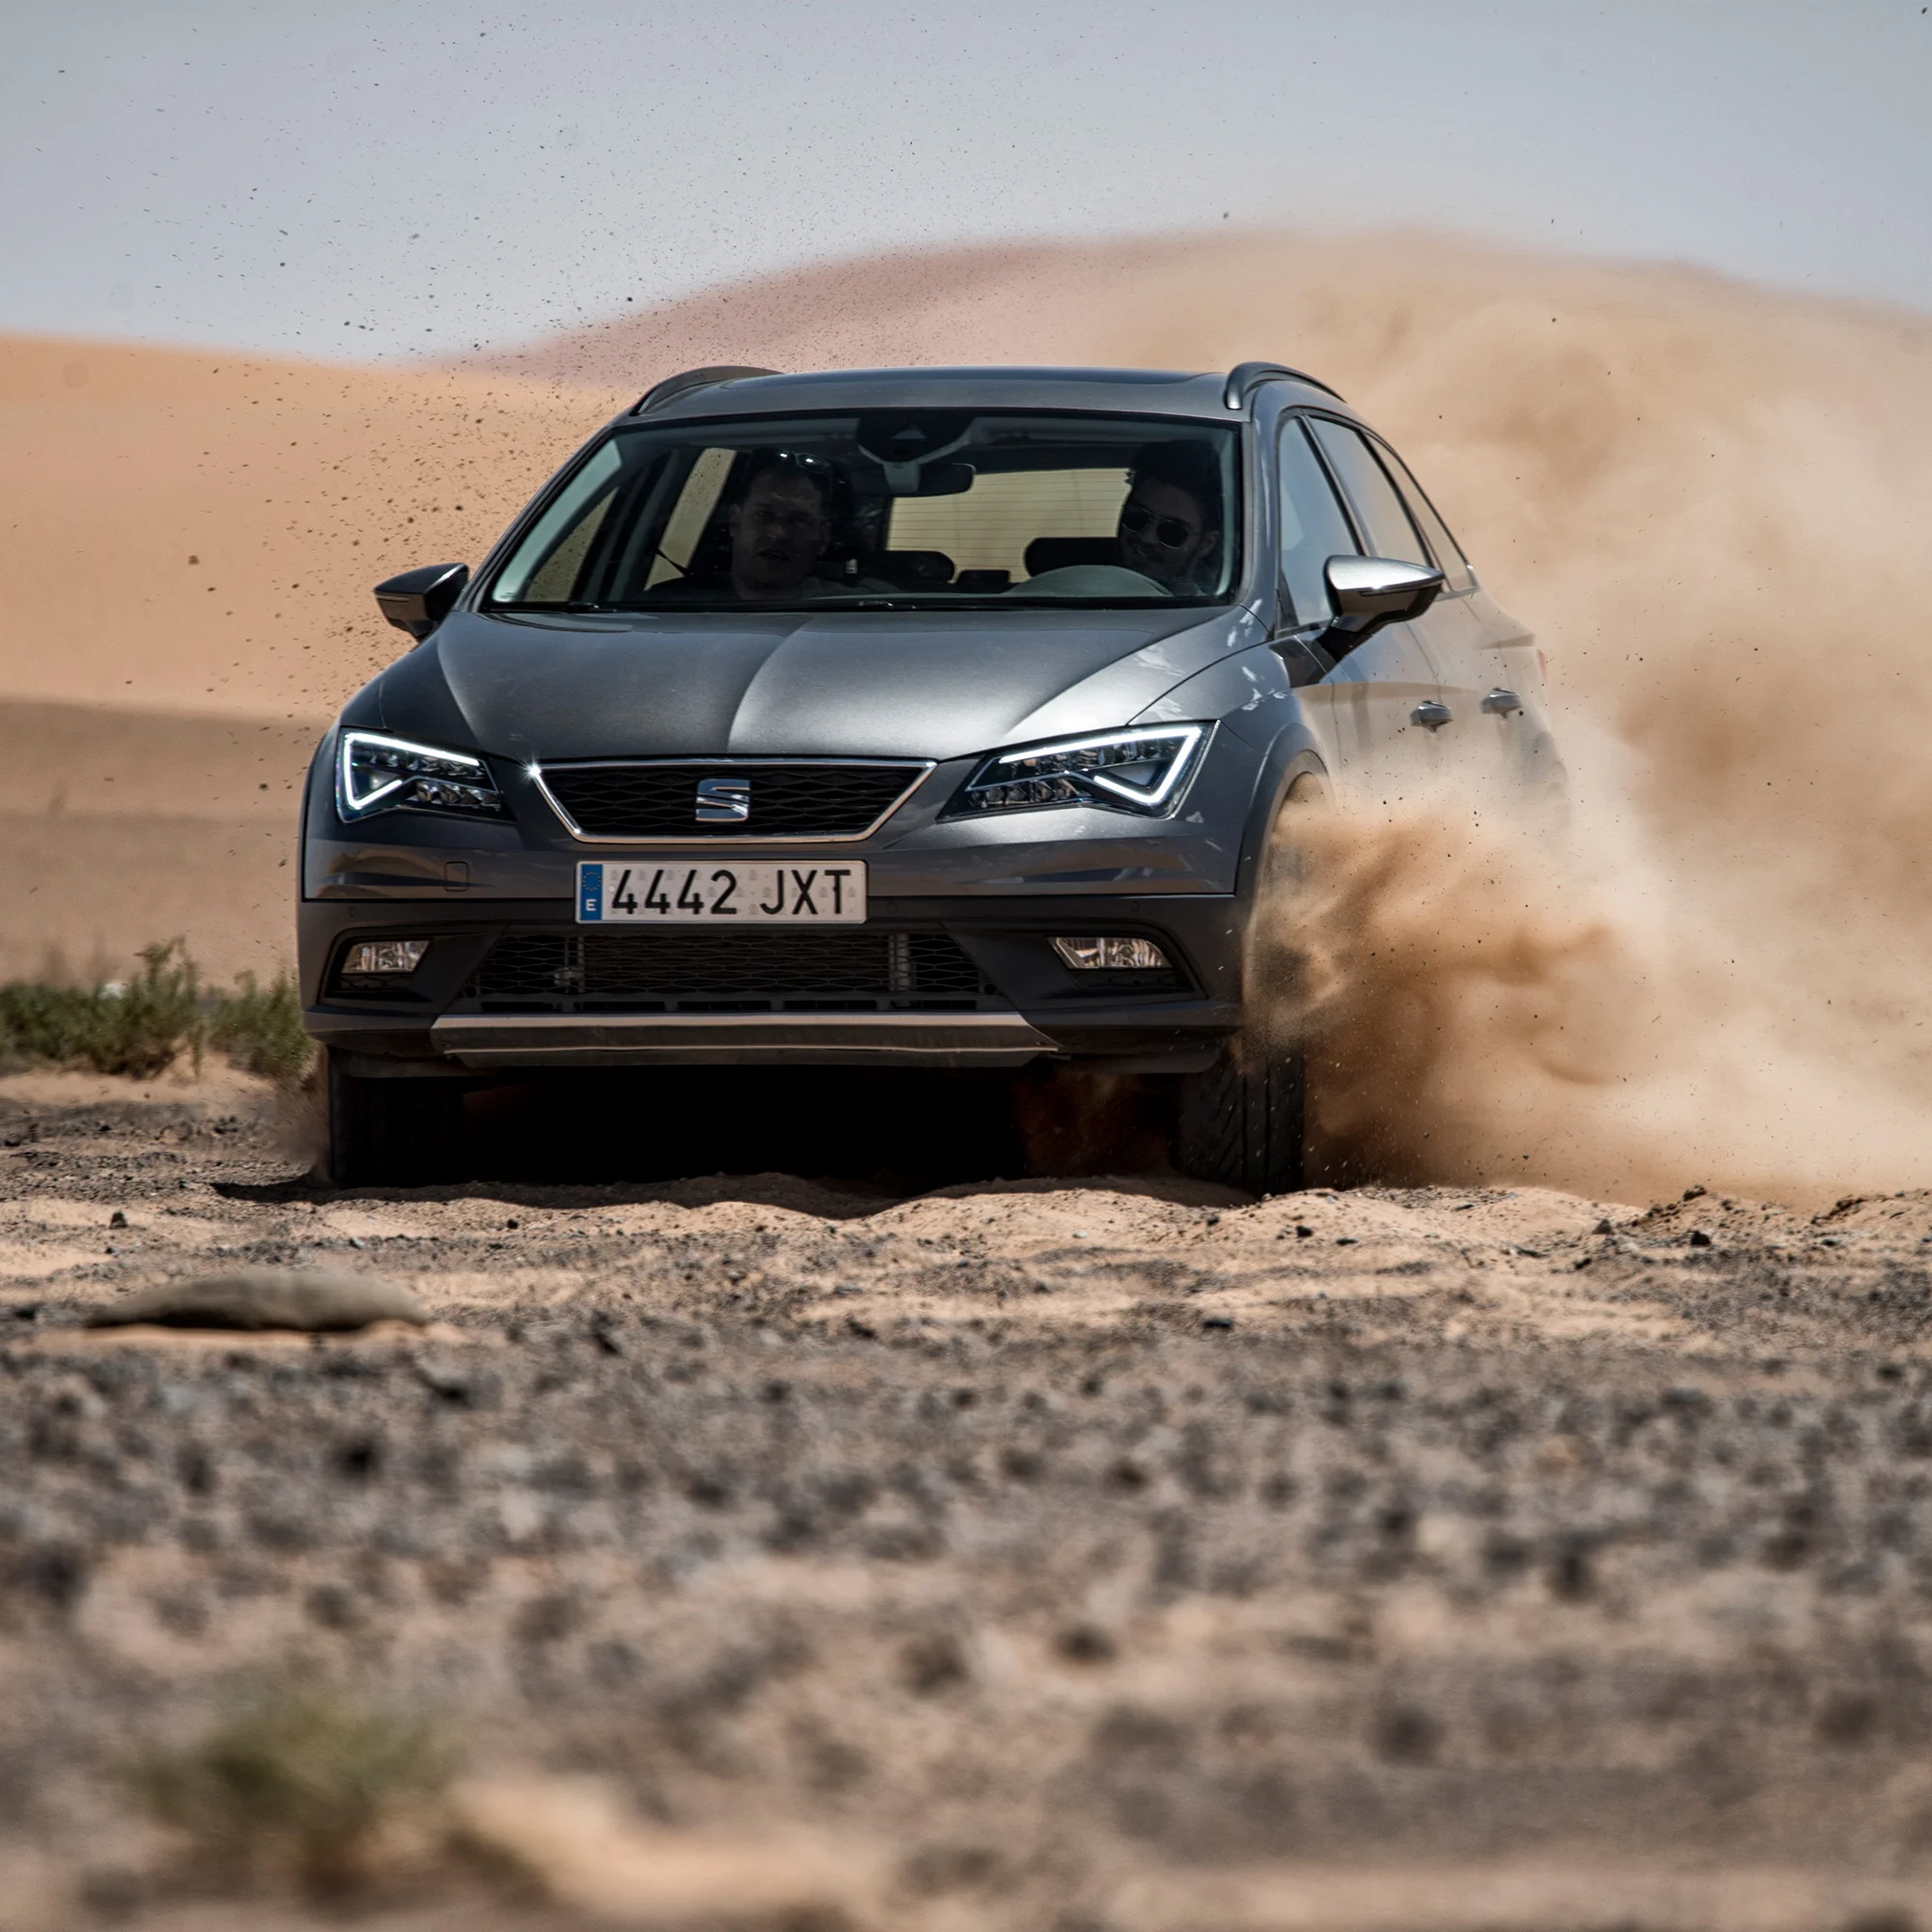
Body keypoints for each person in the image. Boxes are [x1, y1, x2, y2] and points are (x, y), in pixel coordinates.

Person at [1117, 441, 1223, 594]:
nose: (1147, 537)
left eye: (1172, 532)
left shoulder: (1214, 615)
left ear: (1205, 544)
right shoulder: (1079, 590)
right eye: (1137, 517)